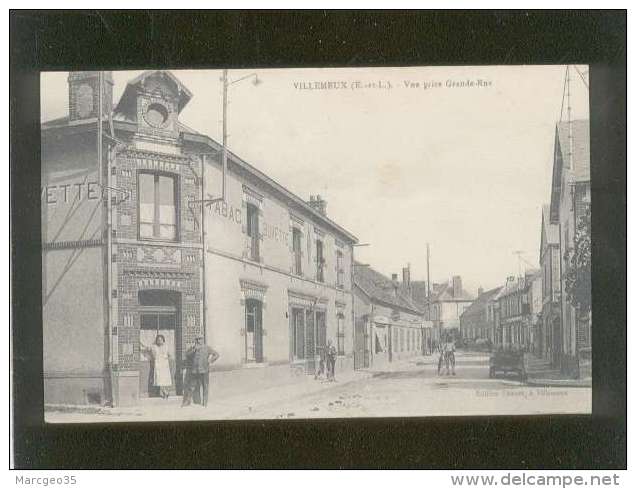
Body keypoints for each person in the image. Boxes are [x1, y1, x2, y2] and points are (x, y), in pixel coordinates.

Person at [185, 335, 219, 407]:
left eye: (200, 339)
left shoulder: (207, 348)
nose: (198, 341)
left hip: (204, 370)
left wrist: (210, 360)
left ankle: (205, 403)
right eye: (197, 339)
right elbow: (187, 355)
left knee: (205, 386)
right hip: (195, 371)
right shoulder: (193, 348)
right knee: (191, 386)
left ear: (203, 340)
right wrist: (193, 350)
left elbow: (216, 354)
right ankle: (188, 401)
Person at [141, 335, 173, 399]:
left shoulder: (166, 347)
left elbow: (170, 355)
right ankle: (165, 392)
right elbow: (147, 348)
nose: (159, 341)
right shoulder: (154, 347)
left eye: (161, 340)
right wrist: (141, 345)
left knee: (164, 379)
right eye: (158, 340)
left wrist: (167, 360)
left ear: (163, 340)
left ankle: (164, 392)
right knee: (159, 379)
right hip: (158, 365)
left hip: (165, 365)